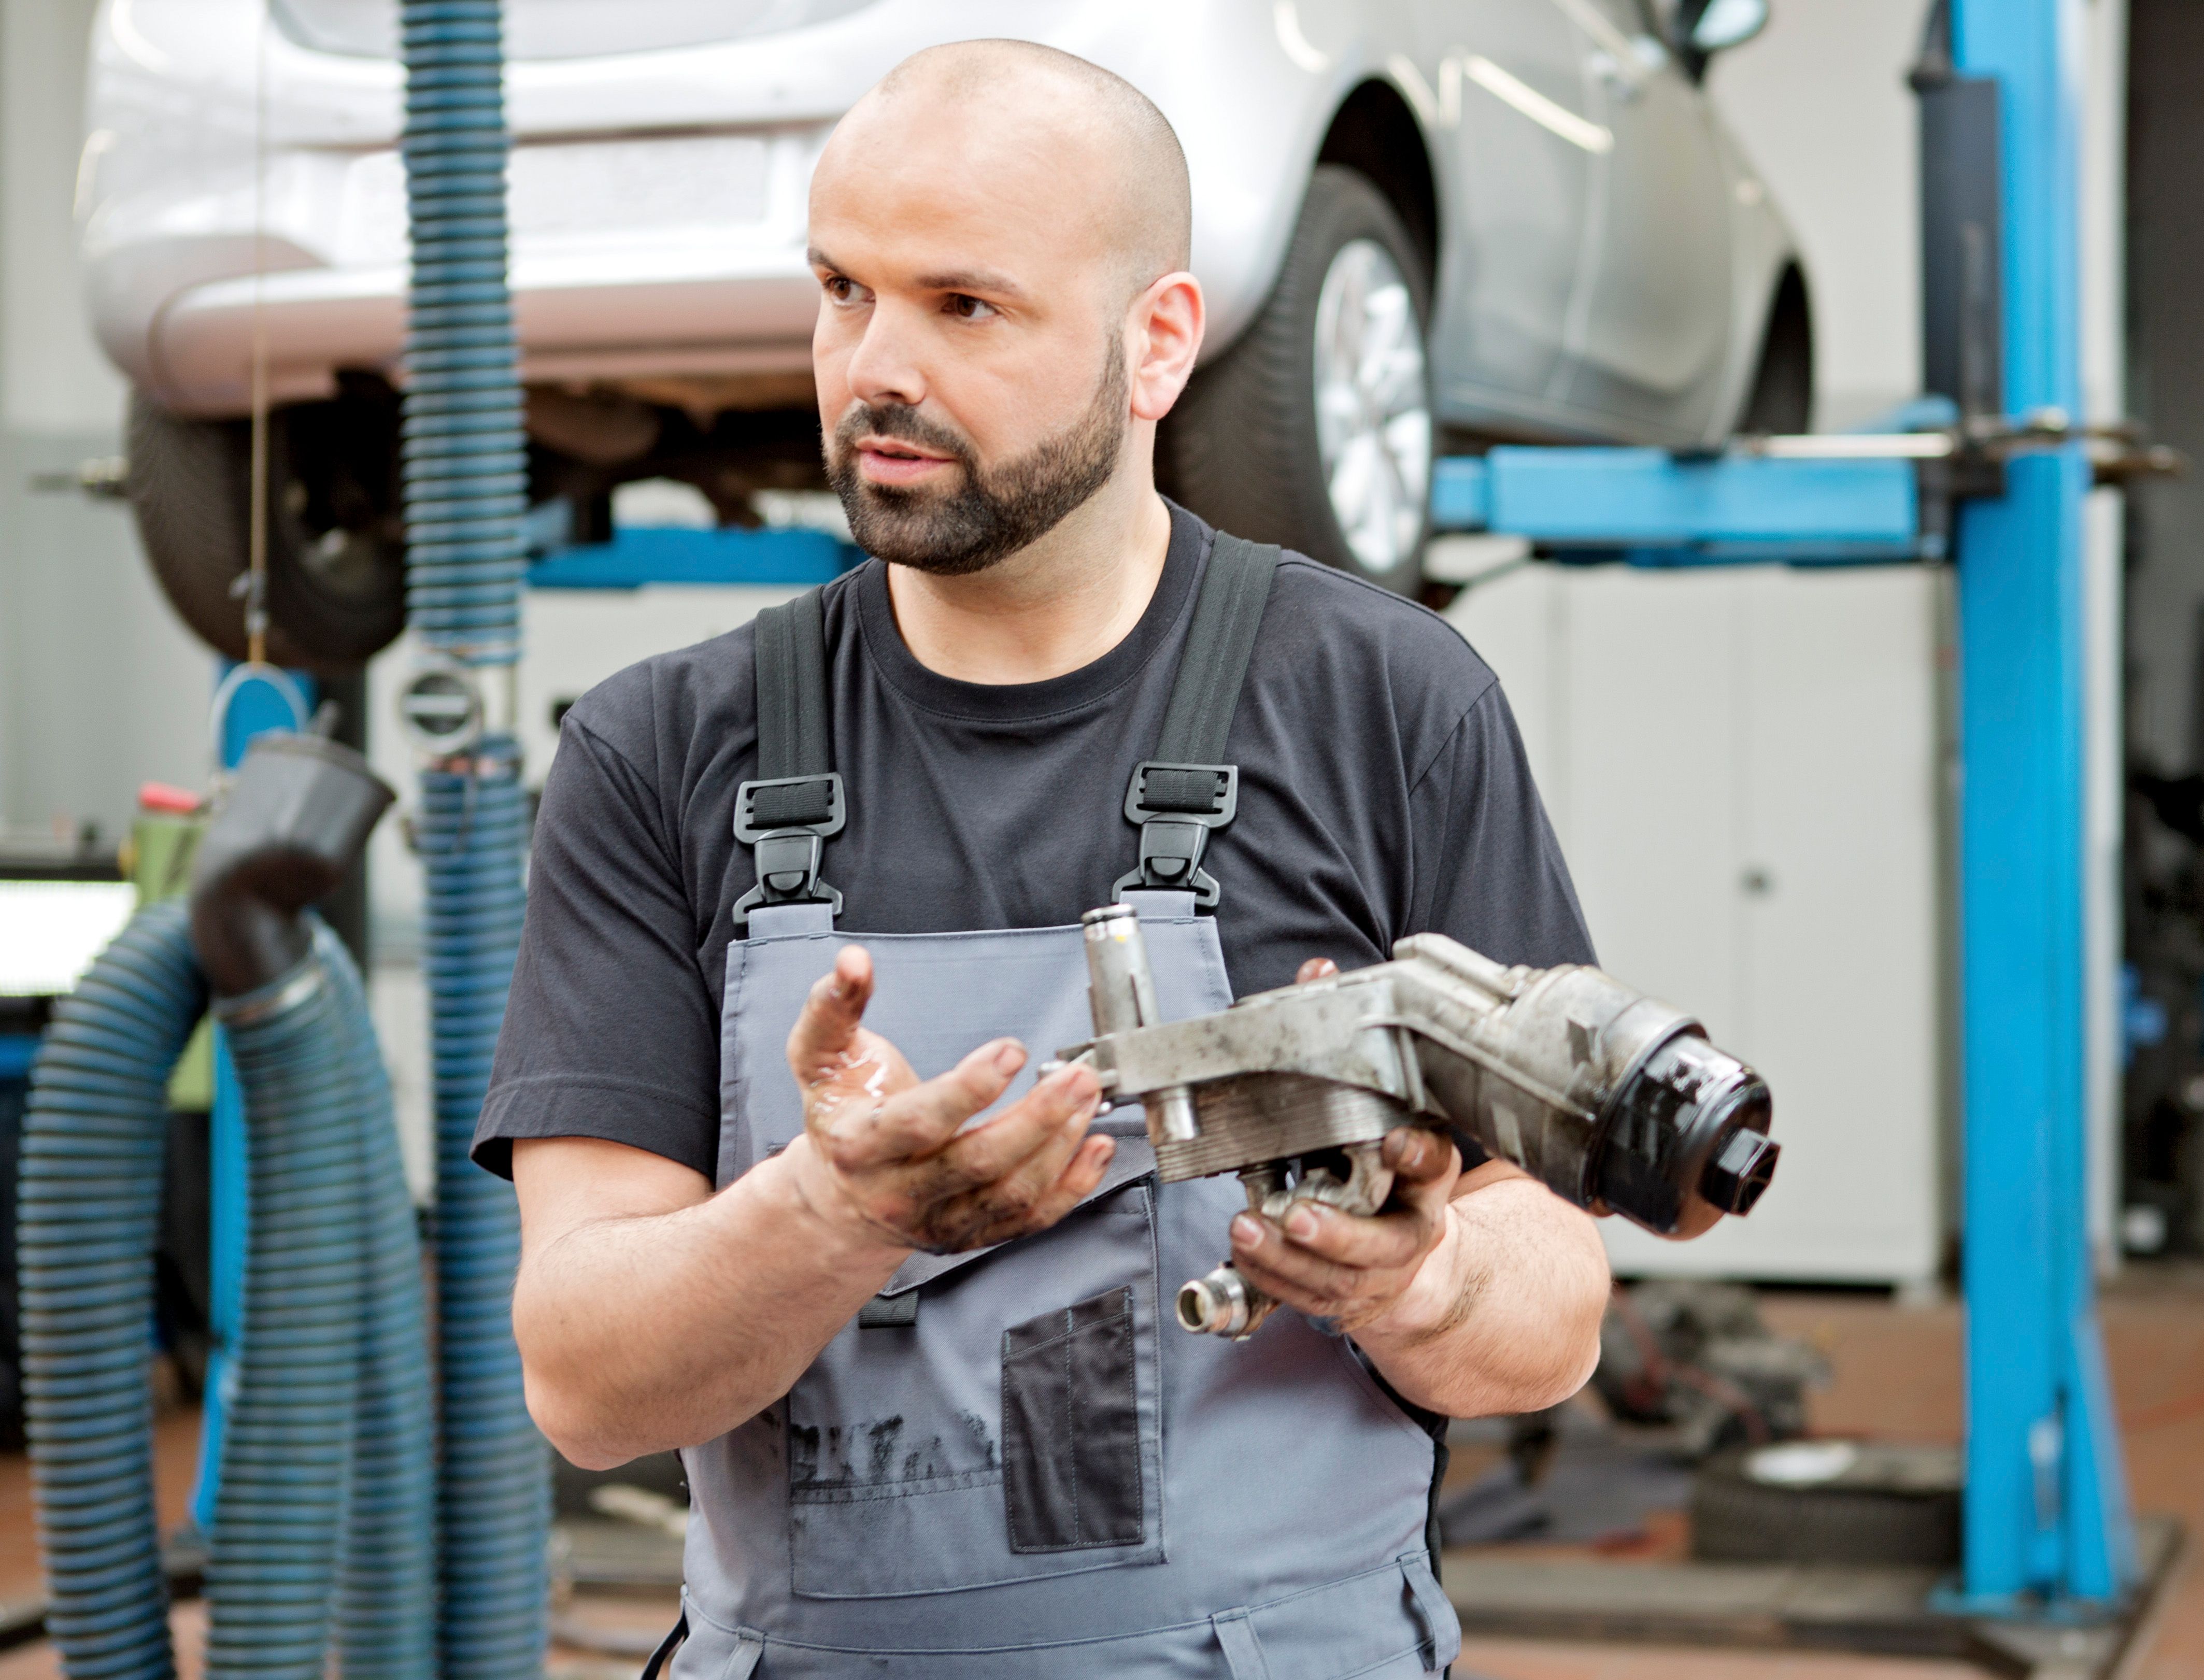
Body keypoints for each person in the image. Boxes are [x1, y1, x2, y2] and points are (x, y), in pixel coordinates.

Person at [484, 39, 1612, 1678]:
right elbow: (585, 1385)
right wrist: (830, 1215)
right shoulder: (661, 750)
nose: (876, 366)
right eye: (841, 290)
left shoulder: (1386, 703)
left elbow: (1557, 1301)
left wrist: (1419, 1277)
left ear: (1158, 343)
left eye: (965, 307)